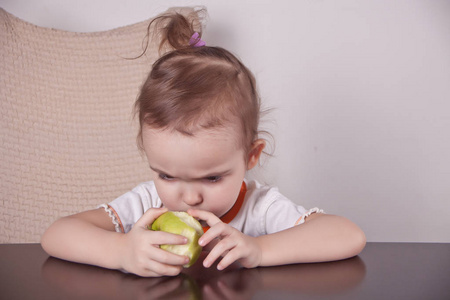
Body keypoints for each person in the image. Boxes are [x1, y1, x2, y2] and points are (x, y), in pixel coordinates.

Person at [41, 9, 366, 277]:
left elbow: (348, 235)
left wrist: (259, 250)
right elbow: (57, 235)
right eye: (166, 175)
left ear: (251, 156)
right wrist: (122, 251)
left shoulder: (260, 209)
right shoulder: (148, 205)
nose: (189, 197)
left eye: (212, 177)